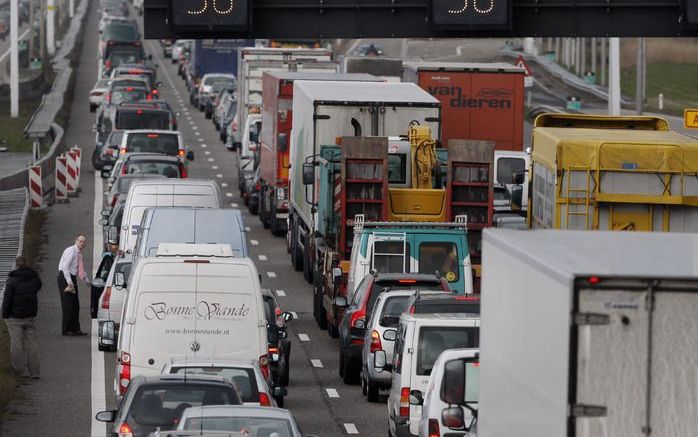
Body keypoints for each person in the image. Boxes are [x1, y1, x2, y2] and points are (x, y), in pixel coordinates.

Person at [2, 257, 42, 379]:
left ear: (16, 266)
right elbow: (38, 287)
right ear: (27, 264)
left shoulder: (12, 280)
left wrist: (5, 314)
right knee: (32, 344)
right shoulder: (34, 278)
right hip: (31, 315)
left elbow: (7, 299)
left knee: (16, 344)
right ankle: (34, 372)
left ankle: (19, 371)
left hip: (15, 317)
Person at [57, 234, 90, 336]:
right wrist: (69, 282)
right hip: (65, 278)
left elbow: (80, 270)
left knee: (76, 305)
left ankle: (76, 329)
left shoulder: (79, 254)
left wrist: (87, 281)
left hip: (72, 278)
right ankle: (66, 329)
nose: (82, 243)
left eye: (84, 242)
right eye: (80, 241)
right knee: (68, 305)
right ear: (76, 241)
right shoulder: (71, 251)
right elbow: (65, 267)